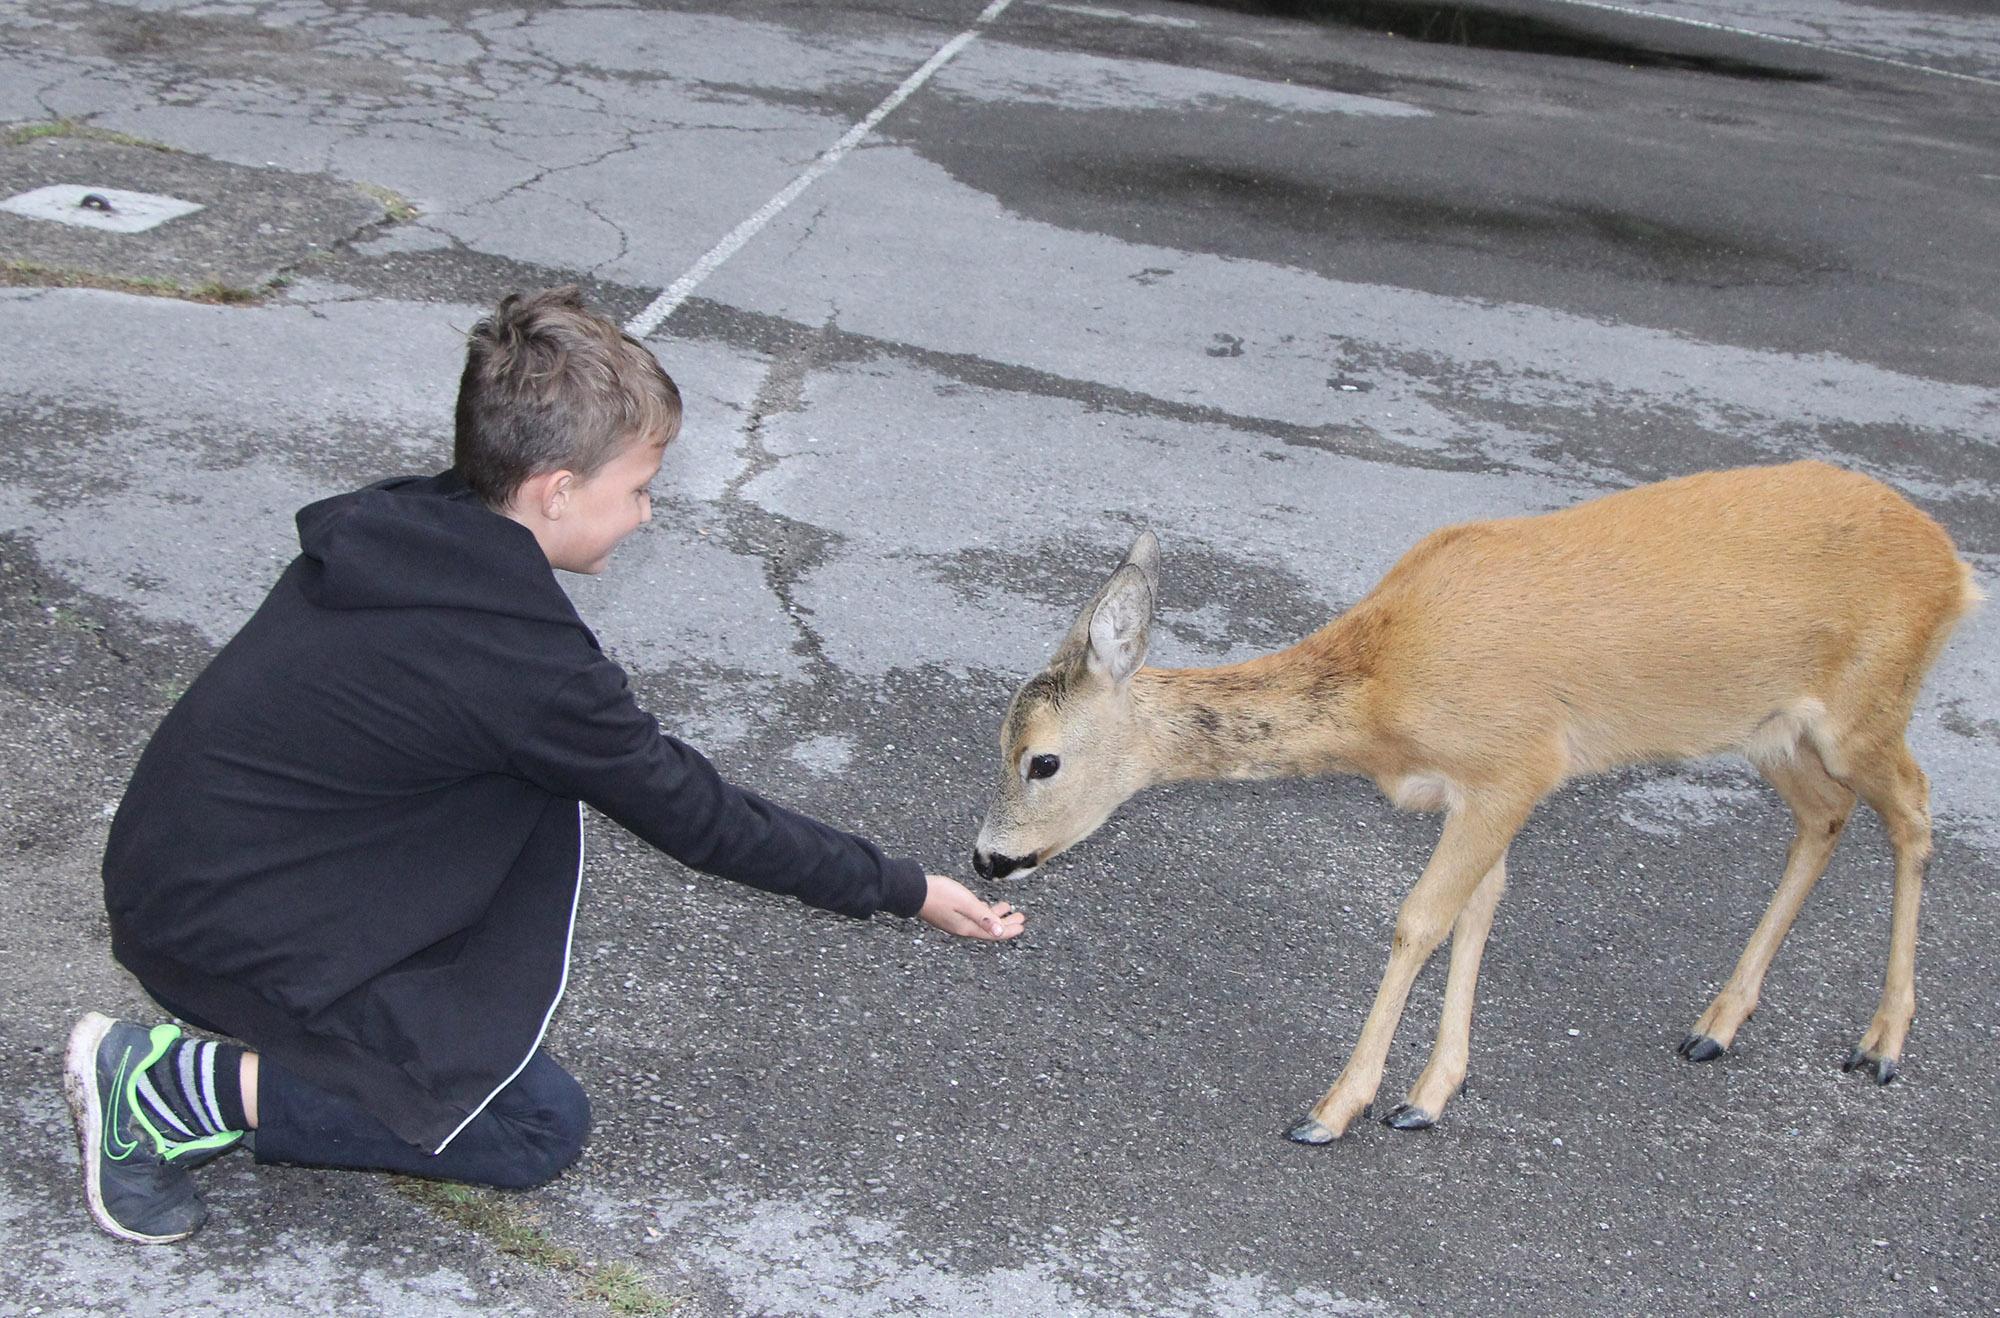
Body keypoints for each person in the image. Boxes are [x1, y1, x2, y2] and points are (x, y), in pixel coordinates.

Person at [64, 286, 1024, 1245]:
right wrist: (903, 887)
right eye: (640, 488)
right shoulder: (519, 665)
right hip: (222, 925)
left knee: (476, 999)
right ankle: (164, 1091)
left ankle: (307, 1042)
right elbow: (700, 817)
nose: (647, 514)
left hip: (195, 875)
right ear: (556, 489)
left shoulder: (411, 528)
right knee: (532, 1130)